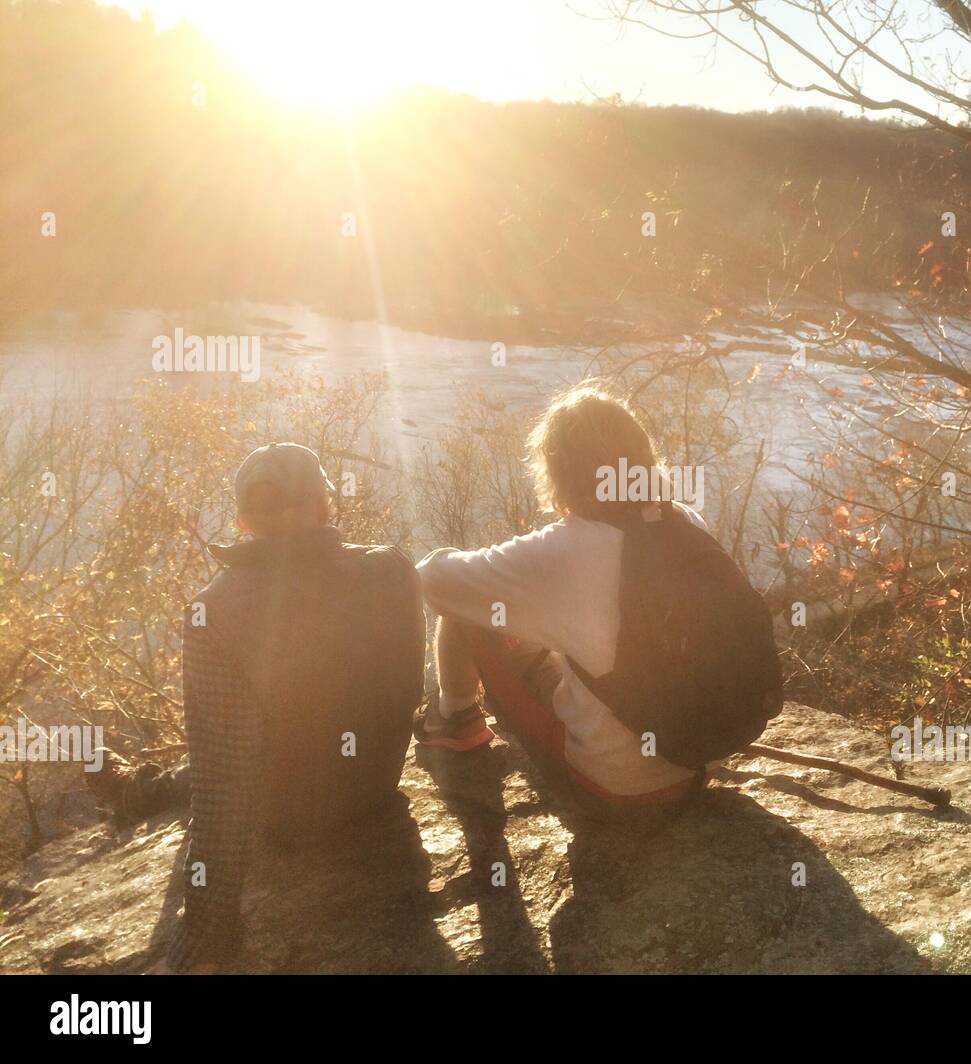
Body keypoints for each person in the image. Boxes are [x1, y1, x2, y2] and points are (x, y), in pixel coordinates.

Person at [91, 443, 425, 972]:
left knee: (220, 755)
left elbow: (223, 787)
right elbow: (405, 688)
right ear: (325, 506)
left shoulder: (214, 611)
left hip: (289, 819)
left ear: (244, 521)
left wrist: (204, 937)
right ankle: (138, 789)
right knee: (255, 738)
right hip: (376, 788)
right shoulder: (393, 568)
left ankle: (134, 792)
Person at [413, 385, 707, 827]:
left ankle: (456, 721)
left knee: (469, 610)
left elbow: (434, 582)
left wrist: (462, 559)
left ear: (559, 471)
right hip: (697, 763)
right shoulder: (685, 520)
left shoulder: (565, 549)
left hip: (617, 787)